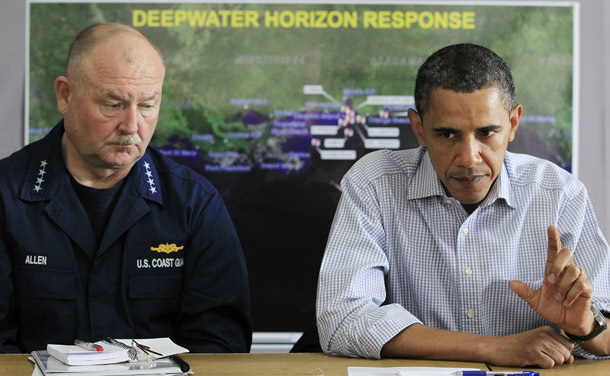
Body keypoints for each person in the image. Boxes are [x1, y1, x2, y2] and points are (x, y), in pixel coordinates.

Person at [316, 43, 610, 368]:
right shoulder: (375, 183)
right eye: (447, 135)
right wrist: (493, 349)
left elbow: (606, 339)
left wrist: (584, 327)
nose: (469, 159)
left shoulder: (560, 193)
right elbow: (342, 321)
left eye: (487, 132)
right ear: (418, 128)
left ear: (513, 124)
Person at [0, 23, 251, 353]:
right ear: (65, 94)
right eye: (113, 104)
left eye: (147, 105)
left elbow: (220, 346)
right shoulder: (5, 197)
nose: (132, 126)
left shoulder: (194, 205)